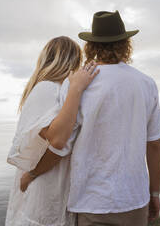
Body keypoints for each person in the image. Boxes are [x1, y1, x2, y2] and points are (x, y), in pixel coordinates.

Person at [21, 11, 160, 226]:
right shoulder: (146, 83)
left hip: (91, 201)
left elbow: (63, 144)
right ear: (126, 44)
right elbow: (153, 145)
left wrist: (33, 173)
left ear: (91, 46)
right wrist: (154, 192)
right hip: (134, 198)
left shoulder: (77, 82)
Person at [5, 36, 99, 226]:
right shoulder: (48, 89)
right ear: (70, 60)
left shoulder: (59, 90)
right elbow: (57, 140)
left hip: (49, 182)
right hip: (43, 182)